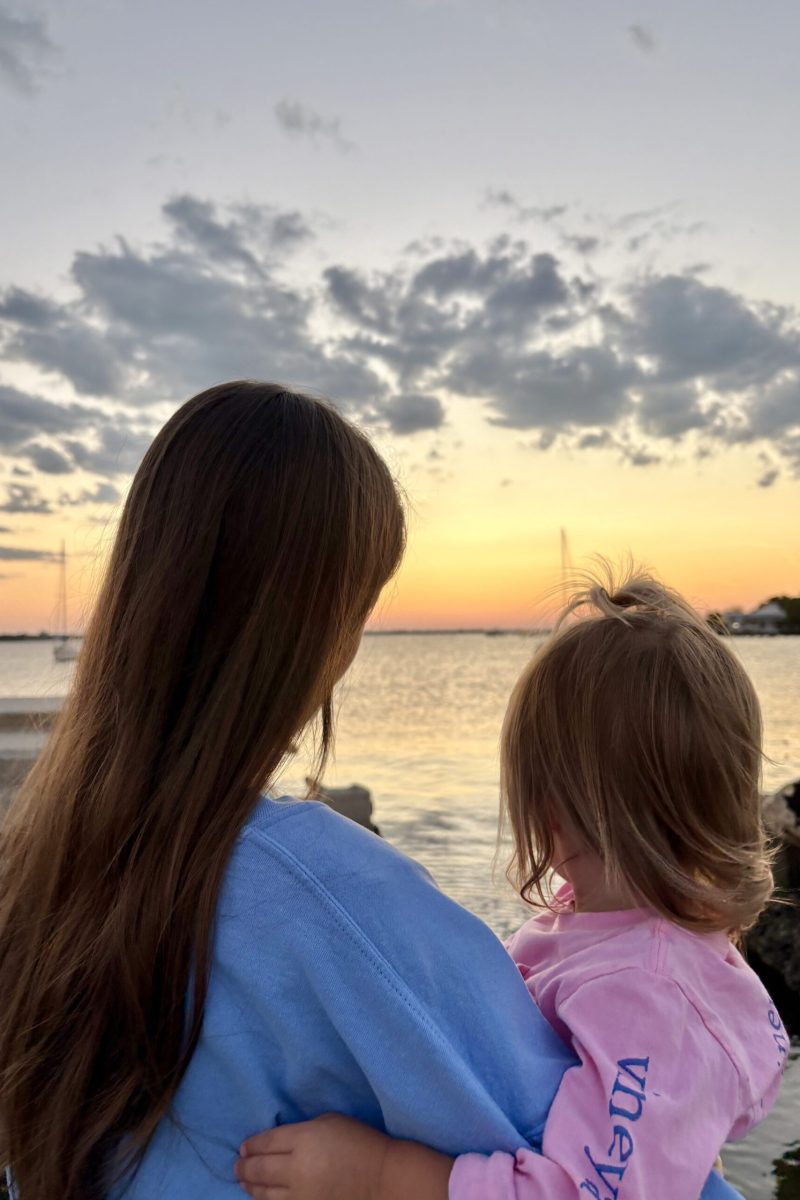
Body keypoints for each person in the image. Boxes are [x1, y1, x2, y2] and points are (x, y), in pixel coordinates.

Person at [234, 572, 786, 1200]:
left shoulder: (645, 994)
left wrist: (376, 1174)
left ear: (548, 805)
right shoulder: (612, 925)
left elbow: (580, 1194)